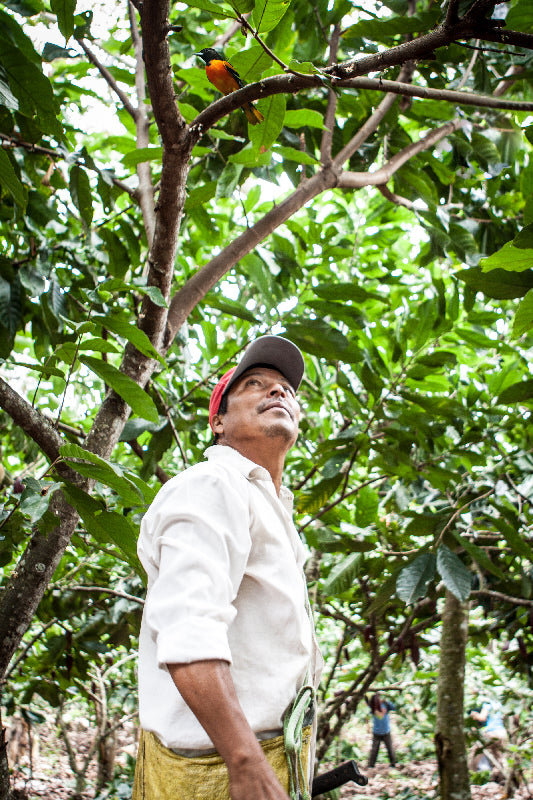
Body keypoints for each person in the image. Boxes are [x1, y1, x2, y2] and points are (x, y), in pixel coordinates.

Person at [132, 335, 323, 800]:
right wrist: (245, 761)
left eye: (286, 390)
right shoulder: (213, 485)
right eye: (255, 384)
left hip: (265, 755)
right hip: (218, 768)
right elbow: (188, 627)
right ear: (218, 421)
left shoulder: (268, 503)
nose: (278, 392)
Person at [470, 697, 507, 774]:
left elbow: (482, 717)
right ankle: (504, 775)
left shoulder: (487, 703)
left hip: (492, 732)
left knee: (477, 751)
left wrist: (473, 714)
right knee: (499, 755)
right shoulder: (499, 703)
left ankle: (473, 772)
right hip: (502, 732)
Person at [367, 693, 396, 768]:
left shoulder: (385, 704)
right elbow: (370, 713)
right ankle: (371, 765)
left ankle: (393, 764)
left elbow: (394, 707)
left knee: (390, 748)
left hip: (386, 731)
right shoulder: (373, 707)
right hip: (377, 732)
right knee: (374, 750)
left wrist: (388, 702)